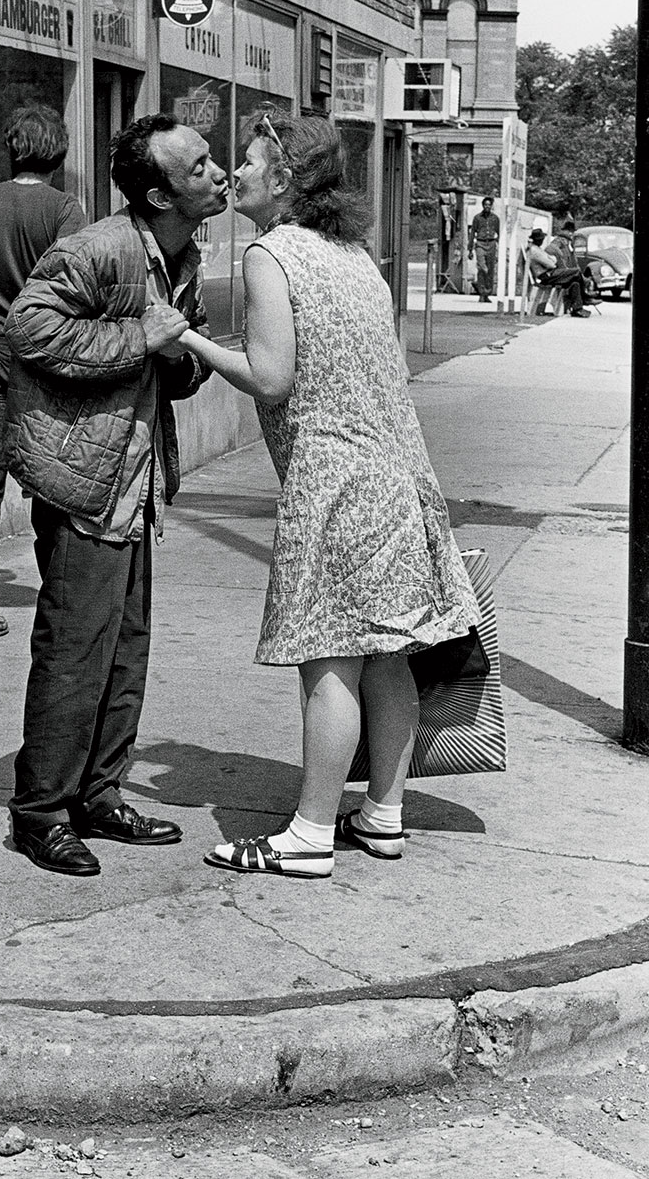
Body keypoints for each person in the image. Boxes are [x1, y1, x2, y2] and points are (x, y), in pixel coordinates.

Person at [176, 112, 480, 879]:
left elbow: (272, 376)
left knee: (329, 658)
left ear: (282, 179)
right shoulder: (353, 255)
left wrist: (189, 340)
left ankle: (308, 835)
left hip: (334, 480)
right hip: (398, 476)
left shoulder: (269, 253)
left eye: (246, 162)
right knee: (389, 656)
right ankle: (382, 814)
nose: (235, 174)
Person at [1, 114, 229, 877]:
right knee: (74, 653)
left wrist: (181, 357)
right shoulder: (100, 247)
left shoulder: (182, 253)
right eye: (199, 167)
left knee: (123, 653)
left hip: (131, 484)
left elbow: (177, 358)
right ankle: (40, 814)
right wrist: (142, 339)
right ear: (159, 195)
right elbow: (27, 330)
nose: (218, 172)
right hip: (83, 487)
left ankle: (98, 796)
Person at [0, 103, 87, 642]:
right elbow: (80, 285)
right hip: (45, 364)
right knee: (51, 477)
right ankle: (61, 596)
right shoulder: (65, 210)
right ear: (60, 153)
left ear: (12, 148)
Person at [526, 222, 591, 317]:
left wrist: (551, 259)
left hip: (549, 274)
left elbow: (551, 259)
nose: (542, 240)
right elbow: (551, 264)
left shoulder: (537, 249)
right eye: (541, 239)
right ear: (537, 240)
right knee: (576, 272)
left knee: (575, 283)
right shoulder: (535, 251)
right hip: (546, 276)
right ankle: (585, 296)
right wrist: (551, 260)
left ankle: (578, 309)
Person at [467, 196, 500, 303]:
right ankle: (481, 292)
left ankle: (486, 293)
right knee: (482, 268)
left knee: (490, 270)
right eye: (485, 204)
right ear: (483, 205)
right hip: (480, 243)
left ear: (491, 206)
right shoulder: (477, 218)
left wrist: (500, 248)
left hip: (491, 243)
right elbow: (472, 233)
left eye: (489, 205)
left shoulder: (495, 218)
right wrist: (470, 249)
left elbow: (500, 233)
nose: (487, 206)